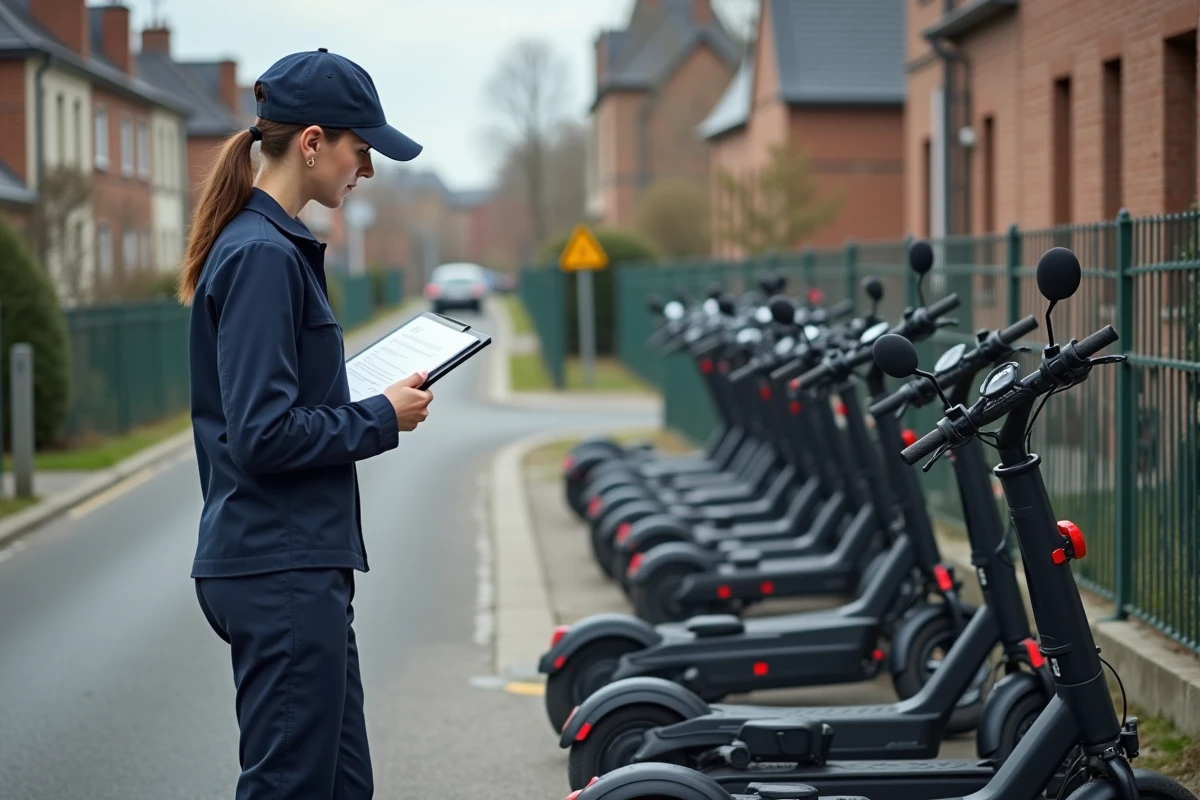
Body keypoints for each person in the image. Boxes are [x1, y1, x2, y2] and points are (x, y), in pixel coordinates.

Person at [178, 48, 430, 799]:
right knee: (292, 789)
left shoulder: (271, 246)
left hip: (292, 561)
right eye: (363, 149)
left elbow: (273, 409)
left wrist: (357, 401)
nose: (369, 169)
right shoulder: (260, 256)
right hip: (277, 566)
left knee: (340, 787)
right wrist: (380, 416)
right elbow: (263, 435)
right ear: (314, 142)